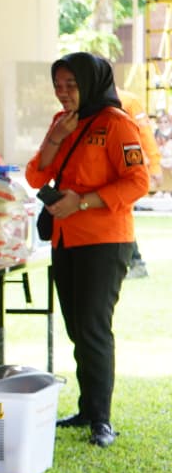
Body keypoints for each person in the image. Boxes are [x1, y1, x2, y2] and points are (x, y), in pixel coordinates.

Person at [26, 52, 148, 449]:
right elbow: (35, 175)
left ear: (91, 84)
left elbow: (138, 181)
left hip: (105, 241)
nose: (63, 93)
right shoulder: (61, 123)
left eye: (72, 85)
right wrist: (55, 138)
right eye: (58, 85)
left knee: (93, 329)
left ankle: (101, 419)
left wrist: (81, 202)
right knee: (77, 328)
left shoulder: (117, 124)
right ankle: (86, 408)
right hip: (65, 240)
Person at [117, 88, 160, 279]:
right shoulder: (91, 101)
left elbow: (145, 133)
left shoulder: (128, 101)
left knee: (121, 213)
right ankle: (134, 262)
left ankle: (136, 261)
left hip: (130, 170)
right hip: (115, 168)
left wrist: (155, 165)